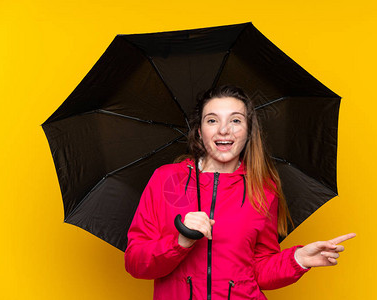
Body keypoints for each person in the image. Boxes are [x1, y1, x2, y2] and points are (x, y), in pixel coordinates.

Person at [124, 85, 355, 300]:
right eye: (212, 120)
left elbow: (260, 269)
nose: (224, 130)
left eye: (235, 120)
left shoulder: (264, 188)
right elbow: (135, 263)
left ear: (248, 131)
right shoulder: (166, 179)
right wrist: (180, 241)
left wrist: (297, 259)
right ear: (199, 131)